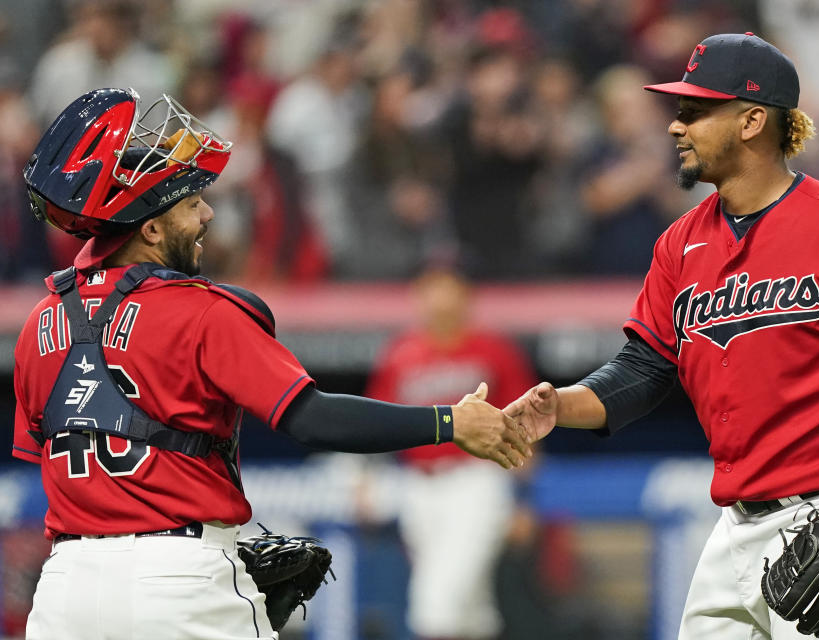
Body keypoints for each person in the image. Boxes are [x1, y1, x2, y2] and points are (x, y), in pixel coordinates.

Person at [12, 87, 531, 640]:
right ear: (152, 229)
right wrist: (449, 422)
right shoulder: (203, 311)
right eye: (191, 203)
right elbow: (311, 419)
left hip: (64, 593)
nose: (208, 212)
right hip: (176, 579)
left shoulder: (38, 324)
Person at [504, 33, 819, 639]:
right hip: (734, 526)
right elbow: (643, 370)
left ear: (752, 120)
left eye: (694, 111)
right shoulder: (679, 243)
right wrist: (560, 406)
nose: (675, 127)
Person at [366, 264, 538, 640]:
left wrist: (525, 499)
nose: (440, 300)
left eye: (449, 290)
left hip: (476, 482)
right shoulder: (400, 354)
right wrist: (368, 479)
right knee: (472, 613)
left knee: (437, 606)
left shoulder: (494, 350)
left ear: (467, 298)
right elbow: (376, 425)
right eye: (432, 290)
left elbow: (526, 429)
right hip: (418, 487)